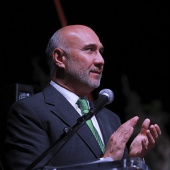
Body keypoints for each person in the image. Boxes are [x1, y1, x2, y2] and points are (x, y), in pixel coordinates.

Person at [4, 25, 161, 170]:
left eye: (101, 52)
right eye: (90, 50)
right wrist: (107, 162)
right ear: (59, 58)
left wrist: (132, 161)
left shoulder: (110, 118)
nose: (100, 60)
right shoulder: (29, 111)